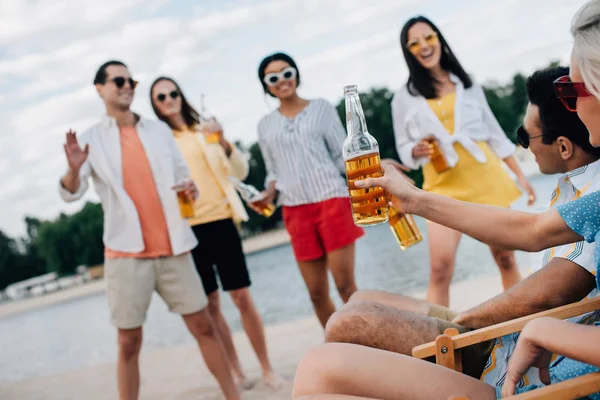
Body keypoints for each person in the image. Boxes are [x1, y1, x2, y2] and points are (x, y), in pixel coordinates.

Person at [292, 2, 600, 397]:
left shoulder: (590, 197)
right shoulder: (407, 97)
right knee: (363, 301)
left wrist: (466, 324)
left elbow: (537, 249)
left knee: (340, 333)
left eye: (574, 91)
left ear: (562, 146)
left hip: (528, 371)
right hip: (527, 341)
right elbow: (534, 233)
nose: (572, 101)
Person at [59, 61, 238, 400]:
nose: (128, 85)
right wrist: (73, 169)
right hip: (125, 255)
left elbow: (185, 178)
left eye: (132, 80)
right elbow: (71, 193)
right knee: (129, 342)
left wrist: (190, 188)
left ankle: (234, 396)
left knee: (204, 326)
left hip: (175, 247)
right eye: (119, 80)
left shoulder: (158, 131)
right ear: (100, 88)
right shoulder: (89, 140)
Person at [149, 76, 283, 389]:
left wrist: (222, 142)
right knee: (210, 305)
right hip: (188, 229)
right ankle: (236, 372)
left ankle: (267, 369)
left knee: (241, 296)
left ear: (181, 95)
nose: (169, 99)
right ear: (155, 105)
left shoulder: (204, 131)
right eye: (161, 97)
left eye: (173, 93)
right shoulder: (160, 142)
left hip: (222, 220)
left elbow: (239, 172)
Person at [392, 16, 536, 305]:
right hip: (443, 187)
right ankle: (434, 338)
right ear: (408, 51)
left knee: (506, 258)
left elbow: (494, 134)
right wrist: (415, 151)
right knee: (440, 269)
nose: (424, 46)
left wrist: (520, 176)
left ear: (440, 40)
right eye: (415, 43)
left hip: (486, 179)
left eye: (429, 38)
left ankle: (521, 321)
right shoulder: (403, 98)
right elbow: (403, 146)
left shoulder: (468, 84)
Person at [255, 52, 365, 328]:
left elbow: (343, 155)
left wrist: (371, 171)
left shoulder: (322, 108)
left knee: (345, 286)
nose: (282, 80)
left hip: (332, 200)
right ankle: (338, 344)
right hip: (295, 209)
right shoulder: (265, 125)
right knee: (316, 293)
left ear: (296, 74)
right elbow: (273, 172)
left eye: (287, 72)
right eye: (273, 77)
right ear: (266, 85)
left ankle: (367, 340)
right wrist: (268, 193)